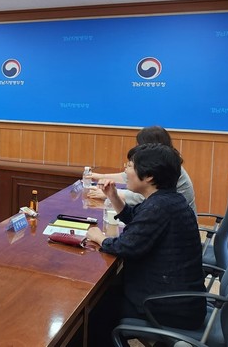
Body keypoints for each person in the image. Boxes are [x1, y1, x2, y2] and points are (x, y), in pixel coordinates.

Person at [86, 143, 205, 339]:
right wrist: (113, 196)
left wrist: (99, 237)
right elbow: (136, 219)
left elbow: (125, 247)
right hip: (179, 300)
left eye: (130, 166)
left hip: (168, 307)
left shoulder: (159, 207)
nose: (126, 171)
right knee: (106, 293)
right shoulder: (167, 200)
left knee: (94, 310)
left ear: (149, 176)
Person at [88, 125, 196, 211]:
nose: (138, 148)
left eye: (140, 145)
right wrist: (100, 177)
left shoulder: (166, 168)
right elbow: (126, 177)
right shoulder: (164, 163)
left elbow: (143, 197)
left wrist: (111, 194)